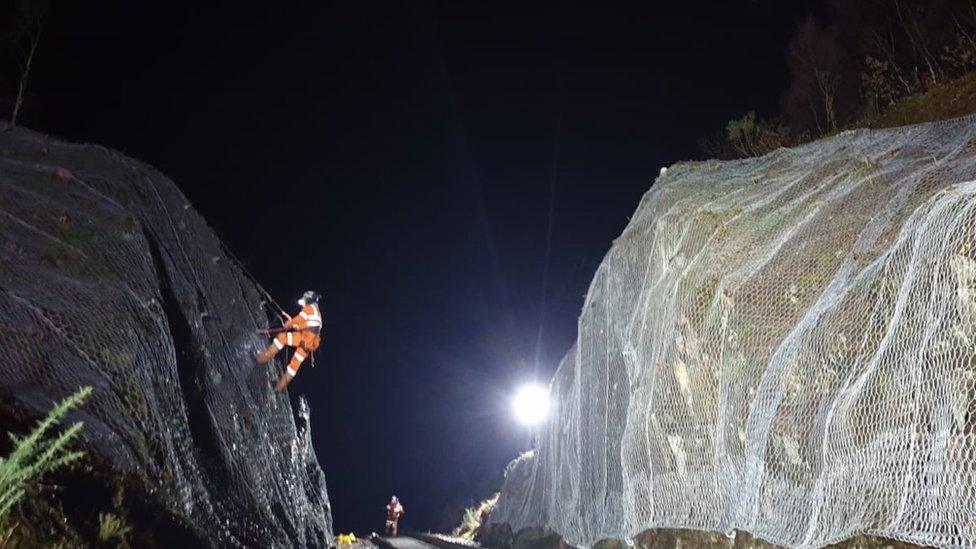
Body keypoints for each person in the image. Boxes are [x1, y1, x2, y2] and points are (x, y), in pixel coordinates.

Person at [255, 290, 322, 391]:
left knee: (281, 338)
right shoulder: (318, 313)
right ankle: (279, 387)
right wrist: (296, 326)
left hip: (304, 338)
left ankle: (262, 358)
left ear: (308, 298)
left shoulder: (310, 308)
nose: (303, 303)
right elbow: (309, 326)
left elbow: (300, 318)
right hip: (310, 344)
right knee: (294, 364)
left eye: (304, 300)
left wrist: (289, 324)